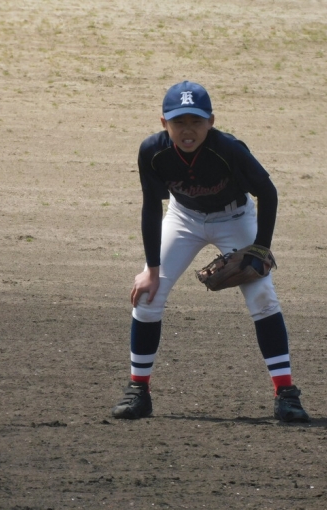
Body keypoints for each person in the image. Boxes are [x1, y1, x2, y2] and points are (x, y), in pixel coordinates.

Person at [111, 80, 310, 423]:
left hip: (235, 218)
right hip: (183, 219)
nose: (188, 130)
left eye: (196, 121)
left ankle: (286, 394)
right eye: (179, 122)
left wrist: (260, 248)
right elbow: (150, 206)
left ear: (211, 122)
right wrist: (152, 270)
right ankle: (138, 391)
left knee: (262, 297)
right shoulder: (152, 151)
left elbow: (268, 192)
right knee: (147, 295)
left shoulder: (228, 149)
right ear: (164, 122)